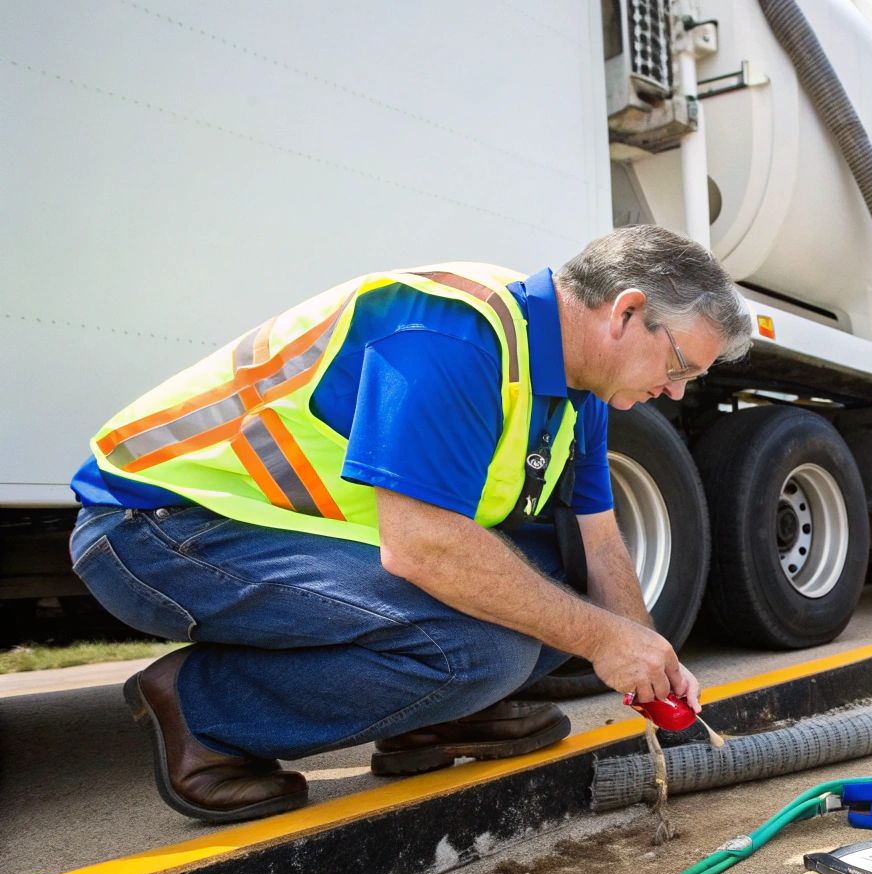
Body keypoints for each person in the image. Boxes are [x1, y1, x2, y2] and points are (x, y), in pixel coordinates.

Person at [68, 224, 751, 823]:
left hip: (273, 535)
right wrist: (604, 638)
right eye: (678, 365)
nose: (677, 391)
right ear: (627, 312)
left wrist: (645, 658)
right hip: (158, 528)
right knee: (487, 648)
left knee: (552, 595)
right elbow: (424, 547)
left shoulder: (581, 392)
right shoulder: (455, 334)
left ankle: (433, 721)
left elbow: (599, 541)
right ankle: (204, 711)